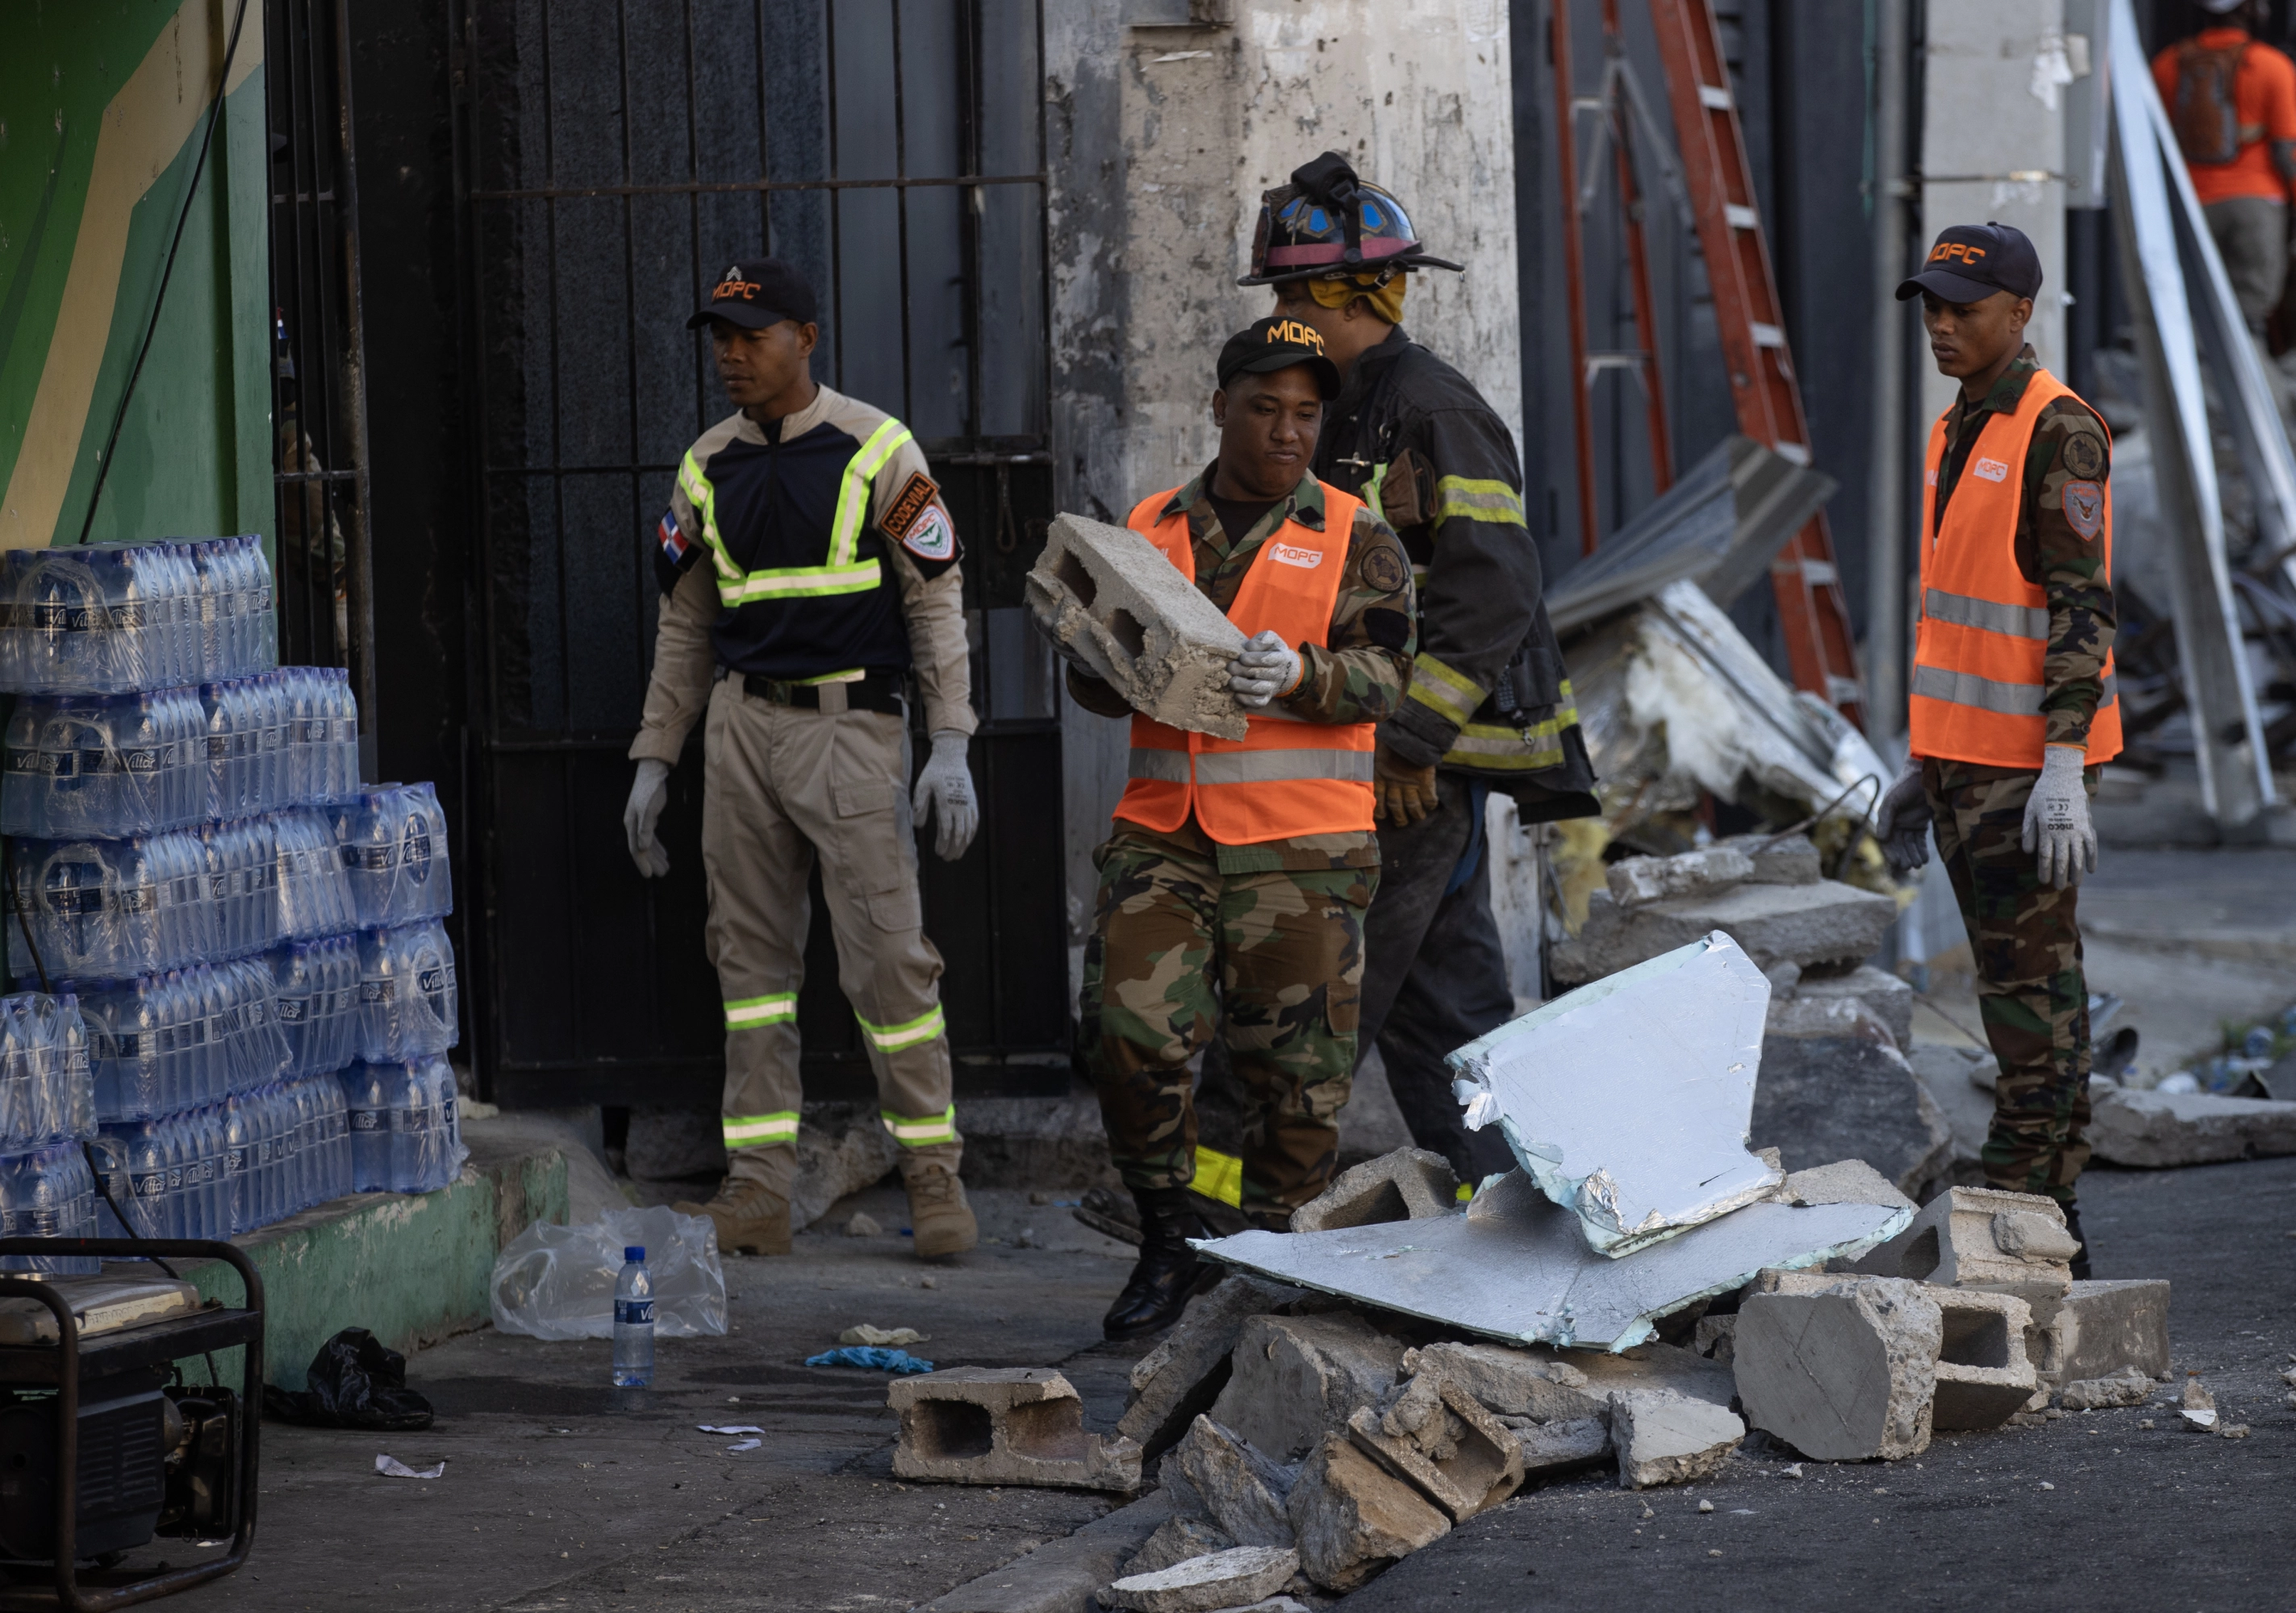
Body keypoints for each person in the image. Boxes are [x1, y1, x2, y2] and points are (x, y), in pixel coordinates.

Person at [1242, 152, 1598, 1188]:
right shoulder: (1339, 403)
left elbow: (1490, 590)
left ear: (1351, 295)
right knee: (1443, 1006)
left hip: (1418, 761)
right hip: (1374, 744)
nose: (1280, 314)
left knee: (1328, 982)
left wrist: (1407, 742)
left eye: (1291, 294)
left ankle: (1234, 1208)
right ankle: (1521, 1198)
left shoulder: (1428, 409)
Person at [1061, 316, 1417, 1339]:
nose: (1285, 431)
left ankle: (1267, 1266)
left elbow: (1389, 676)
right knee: (1126, 1035)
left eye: (1306, 413)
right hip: (1165, 831)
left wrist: (1304, 675)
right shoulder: (1151, 524)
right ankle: (1168, 1234)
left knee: (1296, 1084)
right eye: (1263, 408)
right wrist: (1092, 659)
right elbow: (1108, 680)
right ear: (1219, 408)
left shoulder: (1360, 533)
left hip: (1302, 850)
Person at [624, 257, 981, 1260]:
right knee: (749, 970)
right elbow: (685, 625)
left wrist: (948, 744)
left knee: (889, 965)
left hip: (851, 731)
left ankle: (934, 1181)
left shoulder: (879, 449)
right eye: (721, 338)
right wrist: (656, 755)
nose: (732, 356)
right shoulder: (705, 465)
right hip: (741, 733)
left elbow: (933, 598)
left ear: (805, 339)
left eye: (753, 336)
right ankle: (757, 1191)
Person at [1877, 223, 2119, 1277]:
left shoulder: (2055, 431)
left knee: (2034, 1005)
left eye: (1961, 308)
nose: (1939, 323)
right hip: (1960, 764)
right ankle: (2036, 1225)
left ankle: (2032, 1220)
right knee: (2010, 992)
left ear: (2019, 313)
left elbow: (2078, 612)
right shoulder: (1956, 429)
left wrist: (2063, 769)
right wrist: (1916, 762)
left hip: (2025, 775)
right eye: (1929, 305)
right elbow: (1964, 621)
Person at [2152, 0, 2296, 336]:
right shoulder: (2270, 65)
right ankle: (2250, 384)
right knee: (2249, 317)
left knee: (2192, 310)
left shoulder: (2167, 64)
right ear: (2252, 11)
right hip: (2256, 204)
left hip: (2190, 205)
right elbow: (2286, 150)